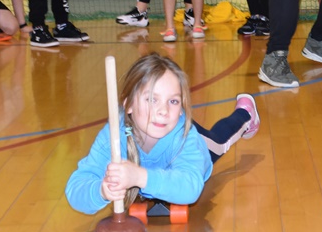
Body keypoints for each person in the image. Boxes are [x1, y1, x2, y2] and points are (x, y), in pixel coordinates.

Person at [65, 53, 260, 214]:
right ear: (128, 104)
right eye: (152, 99)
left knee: (219, 142)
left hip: (179, 131)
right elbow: (76, 188)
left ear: (181, 107)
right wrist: (101, 190)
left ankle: (245, 114)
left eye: (173, 101)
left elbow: (190, 188)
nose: (163, 110)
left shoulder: (184, 137)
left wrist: (140, 177)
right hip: (160, 133)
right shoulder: (113, 137)